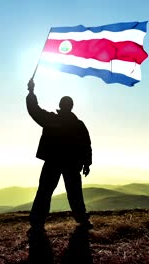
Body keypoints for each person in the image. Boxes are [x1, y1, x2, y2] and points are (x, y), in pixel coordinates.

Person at [26, 79, 93, 233]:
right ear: (70, 106)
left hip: (54, 161)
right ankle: (81, 219)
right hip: (70, 163)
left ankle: (37, 222)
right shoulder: (77, 124)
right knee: (73, 193)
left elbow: (34, 110)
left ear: (62, 105)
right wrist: (87, 163)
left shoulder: (53, 120)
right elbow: (86, 144)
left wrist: (31, 92)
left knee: (45, 192)